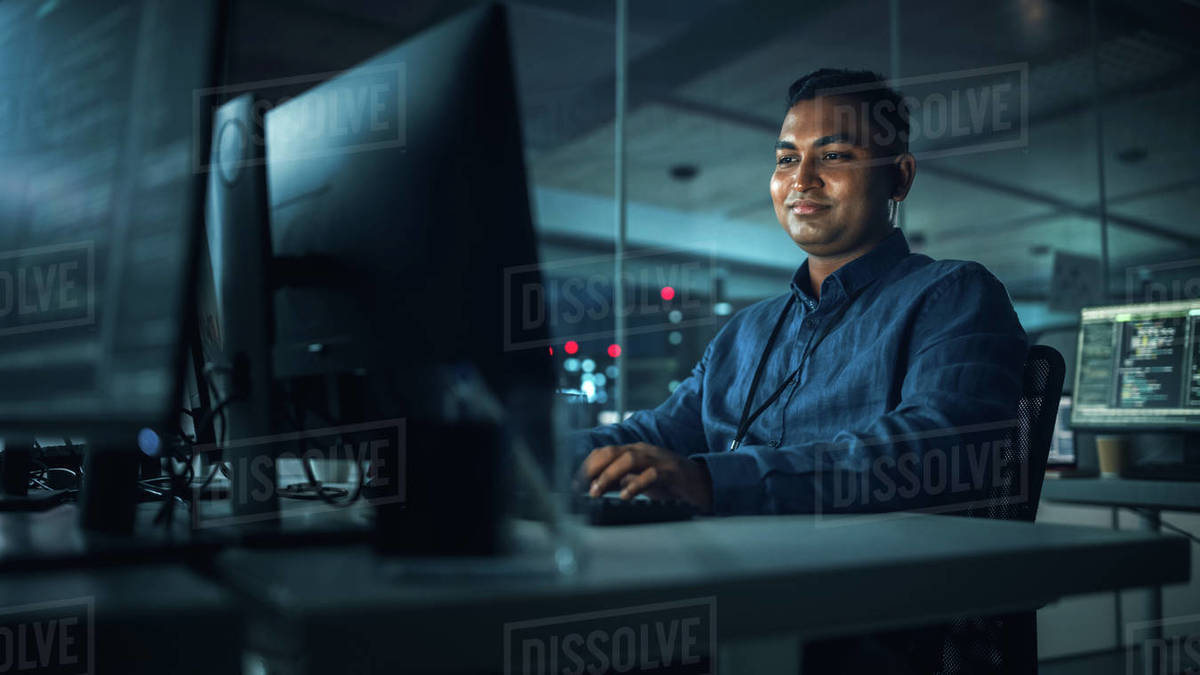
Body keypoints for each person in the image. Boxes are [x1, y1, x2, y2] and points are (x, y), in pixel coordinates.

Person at [575, 68, 1028, 518]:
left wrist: (710, 481)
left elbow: (938, 451)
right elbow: (656, 434)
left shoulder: (953, 296)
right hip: (730, 565)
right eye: (787, 159)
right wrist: (532, 452)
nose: (802, 180)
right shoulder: (745, 333)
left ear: (900, 177)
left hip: (868, 579)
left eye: (833, 156)